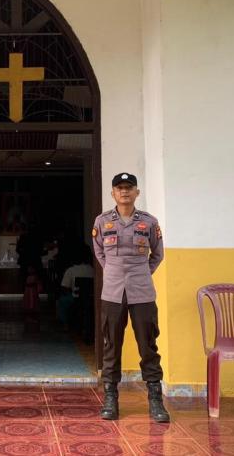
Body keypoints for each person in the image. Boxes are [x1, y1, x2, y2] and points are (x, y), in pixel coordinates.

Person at [92, 172, 169, 423]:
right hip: (112, 292)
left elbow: (157, 254)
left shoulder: (149, 222)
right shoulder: (102, 221)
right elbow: (100, 252)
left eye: (129, 187)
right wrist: (115, 271)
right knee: (111, 344)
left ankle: (155, 400)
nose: (124, 192)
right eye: (120, 188)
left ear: (137, 192)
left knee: (148, 344)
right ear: (113, 193)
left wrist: (141, 273)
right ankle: (110, 398)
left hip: (142, 291)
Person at [56, 244, 94, 331]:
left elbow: (64, 288)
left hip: (76, 298)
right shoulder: (93, 270)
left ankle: (66, 324)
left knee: (62, 301)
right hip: (91, 298)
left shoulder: (71, 270)